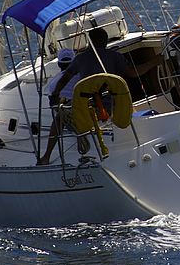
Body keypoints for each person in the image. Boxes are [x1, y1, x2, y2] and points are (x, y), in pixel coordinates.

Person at [38, 27, 161, 165]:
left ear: (89, 42)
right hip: (109, 109)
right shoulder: (115, 56)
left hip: (87, 110)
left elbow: (65, 78)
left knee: (59, 118)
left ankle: (46, 156)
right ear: (105, 41)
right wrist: (154, 62)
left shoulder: (80, 59)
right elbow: (132, 73)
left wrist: (55, 95)